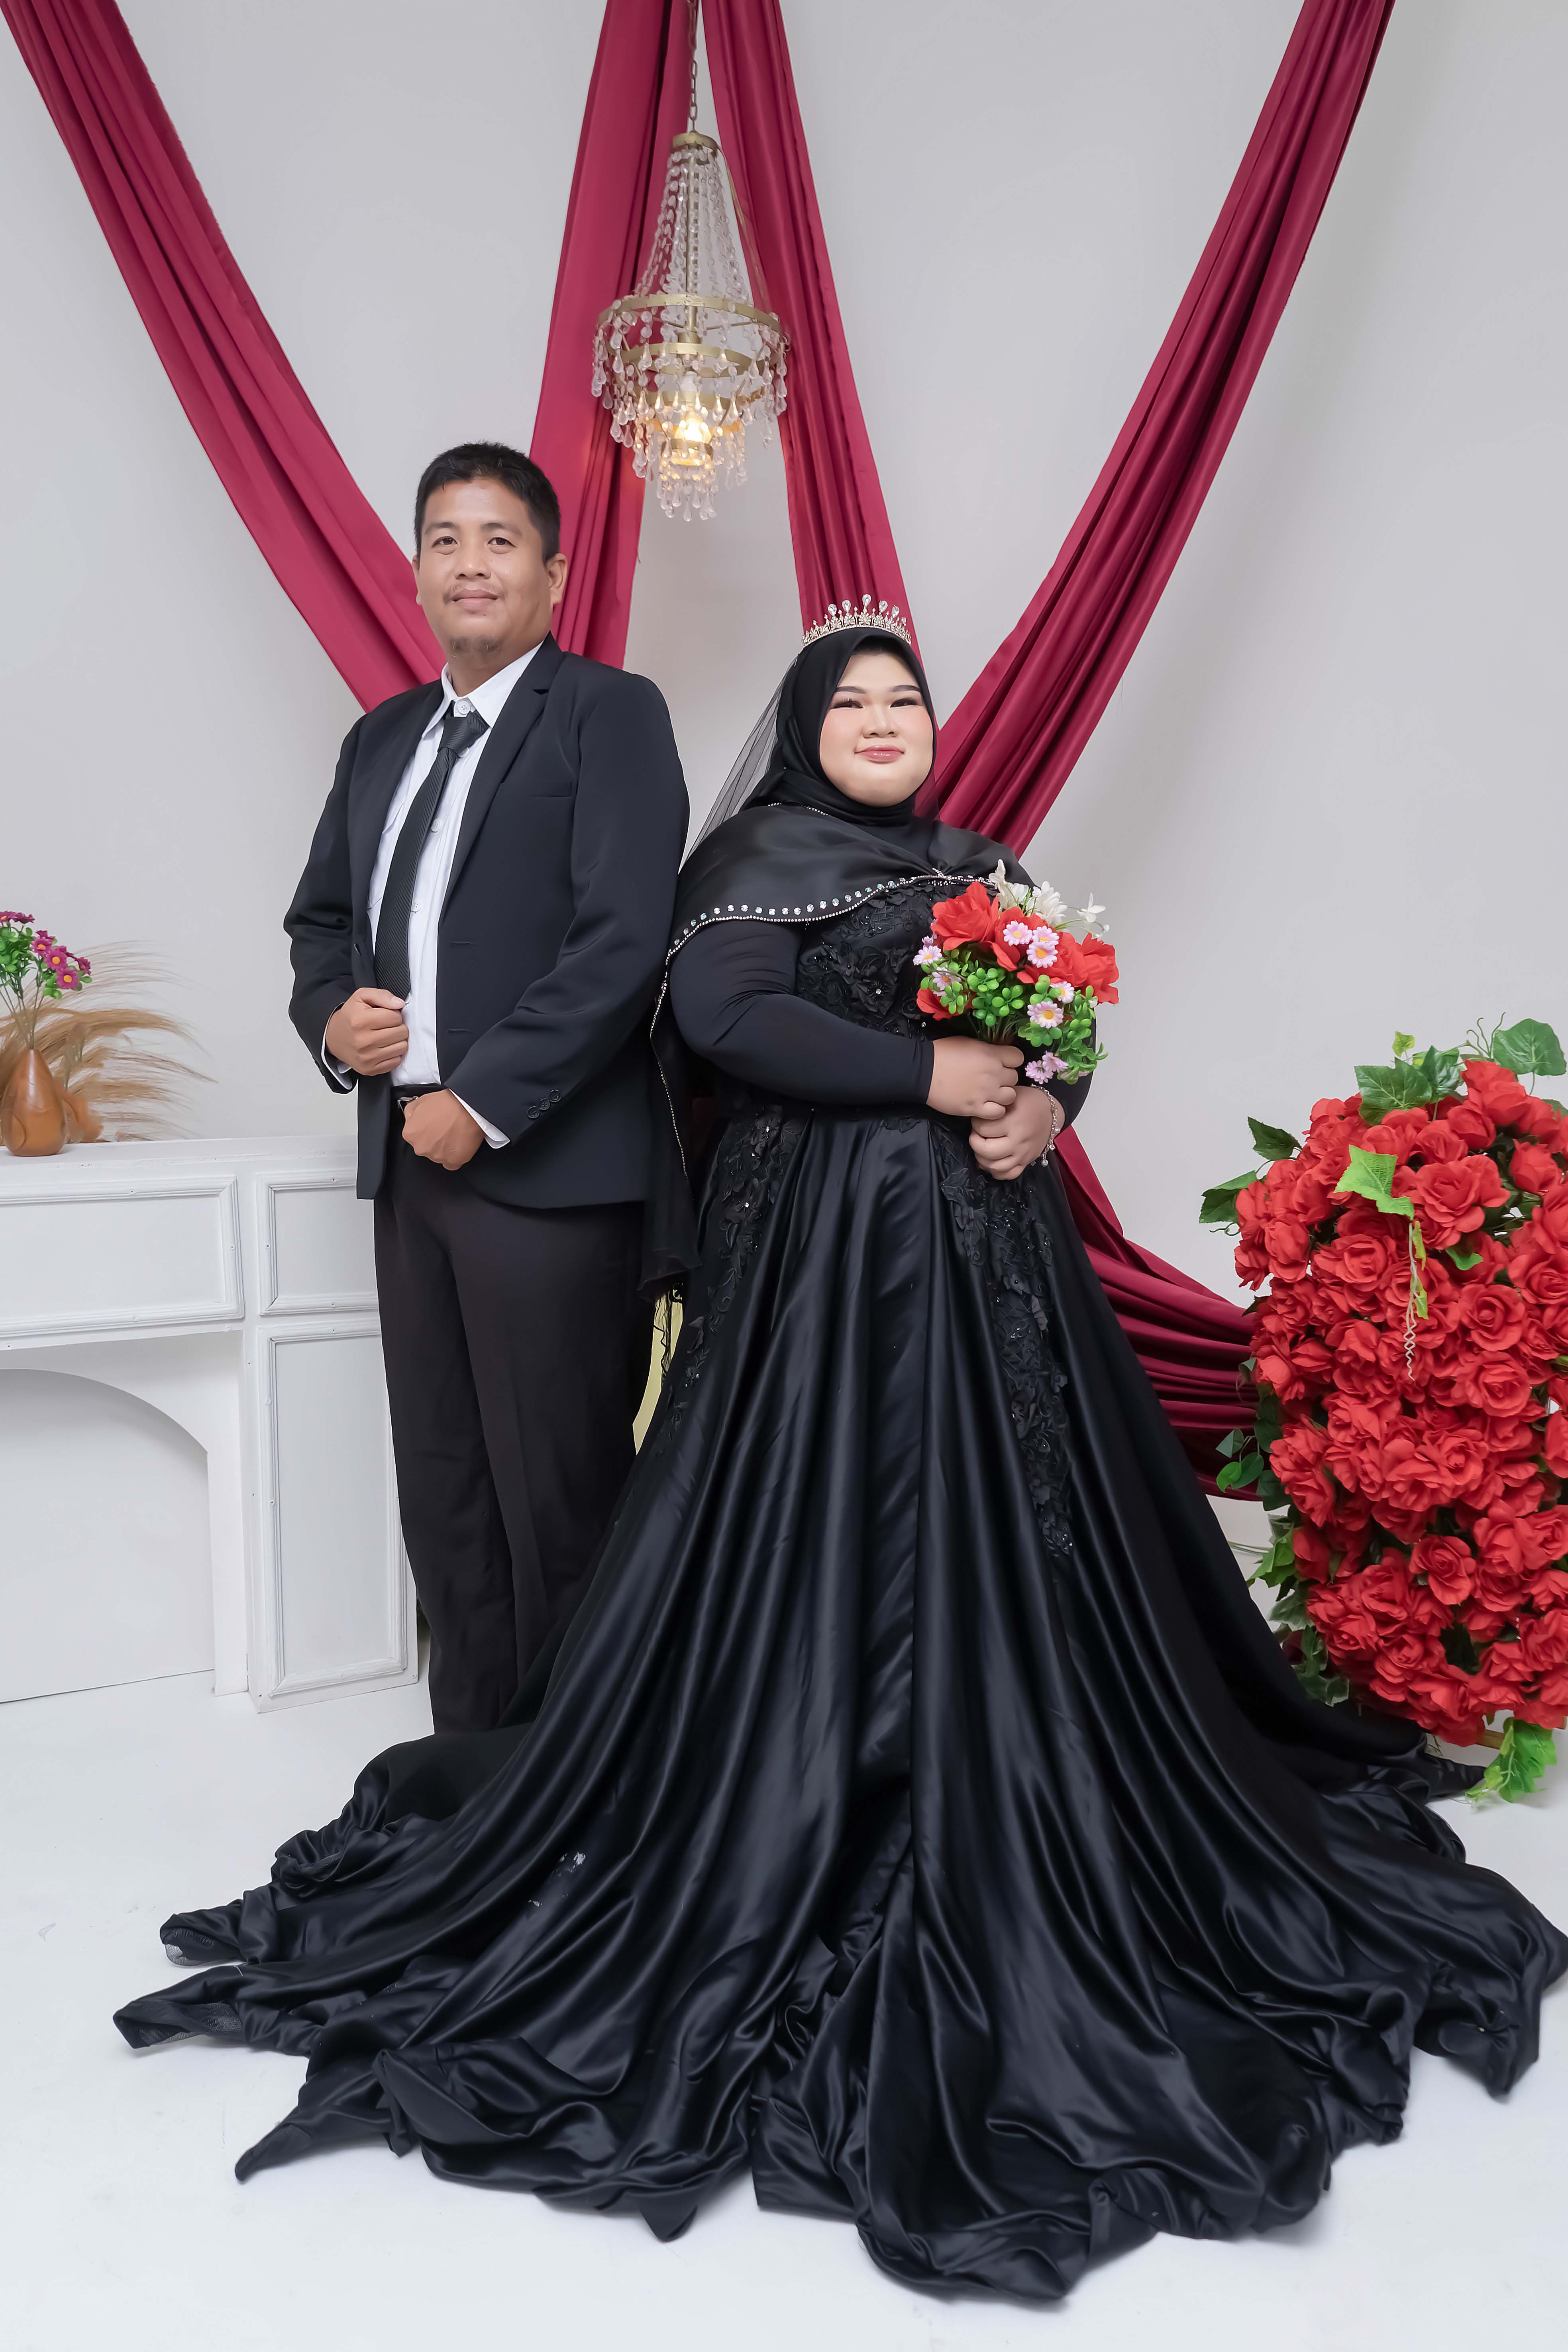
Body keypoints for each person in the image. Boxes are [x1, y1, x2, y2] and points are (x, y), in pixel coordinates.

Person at [119, 615, 1565, 2301]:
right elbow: (734, 1022)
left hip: (990, 1265)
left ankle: (1023, 1763)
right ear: (807, 727)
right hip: (817, 1266)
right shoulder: (751, 860)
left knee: (1023, 1534)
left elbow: (1064, 1028)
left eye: (906, 700)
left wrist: (1047, 1105)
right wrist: (938, 1074)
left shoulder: (983, 861)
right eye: (853, 701)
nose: (884, 720)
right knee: (807, 1542)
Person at [283, 442, 688, 1734]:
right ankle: (470, 1768)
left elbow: (623, 939)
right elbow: (320, 924)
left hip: (548, 1174)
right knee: (445, 1490)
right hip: (408, 1168)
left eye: (500, 541)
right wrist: (336, 1021)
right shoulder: (380, 739)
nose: (471, 564)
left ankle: (580, 1783)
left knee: (558, 1499)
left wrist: (486, 1097)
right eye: (446, 541)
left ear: (554, 576)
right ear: (415, 573)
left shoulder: (609, 714)